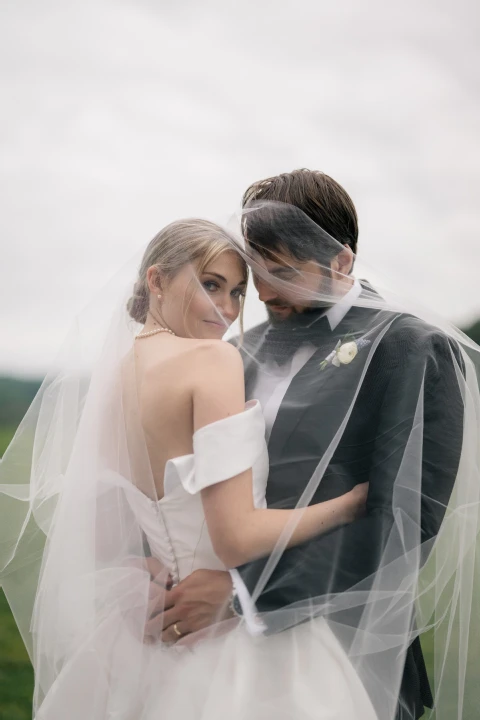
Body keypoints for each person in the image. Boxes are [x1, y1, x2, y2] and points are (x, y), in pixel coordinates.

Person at [0, 217, 378, 719]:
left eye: (239, 293)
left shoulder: (113, 378)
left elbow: (104, 533)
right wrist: (349, 505)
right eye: (211, 285)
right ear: (156, 280)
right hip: (232, 644)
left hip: (148, 635)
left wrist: (152, 564)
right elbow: (236, 539)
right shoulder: (211, 360)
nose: (226, 309)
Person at [146, 171, 479, 720]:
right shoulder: (238, 349)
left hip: (342, 650)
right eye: (257, 273)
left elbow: (404, 521)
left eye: (283, 271)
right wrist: (166, 558)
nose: (267, 292)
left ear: (342, 261)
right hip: (209, 658)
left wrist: (238, 596)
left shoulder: (413, 349)